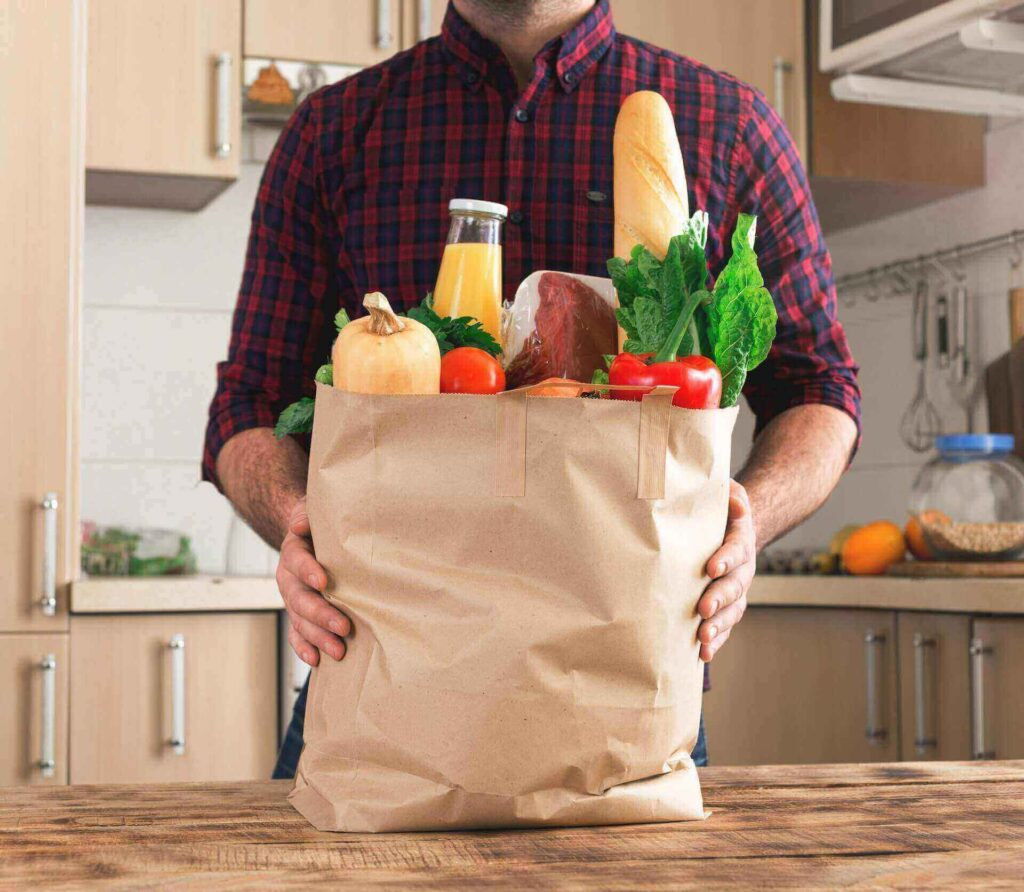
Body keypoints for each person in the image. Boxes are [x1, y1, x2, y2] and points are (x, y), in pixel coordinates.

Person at [204, 0, 860, 779]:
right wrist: (301, 524)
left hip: (627, 711)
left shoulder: (730, 123)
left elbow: (819, 389)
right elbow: (246, 406)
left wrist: (740, 527)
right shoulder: (334, 129)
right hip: (384, 699)